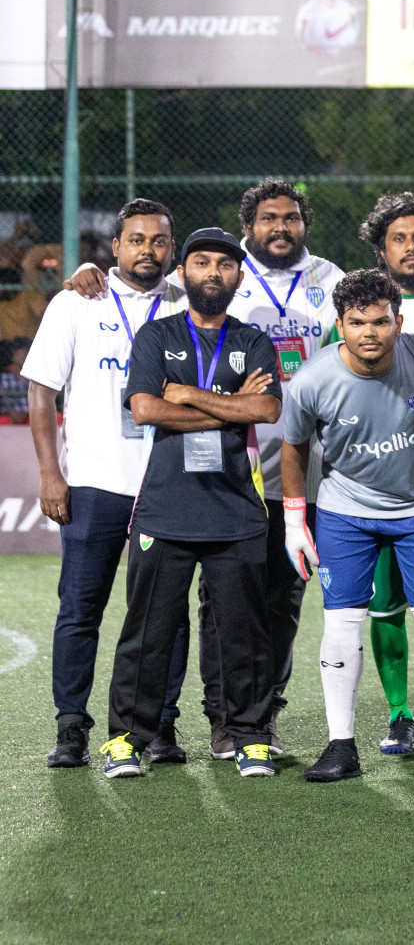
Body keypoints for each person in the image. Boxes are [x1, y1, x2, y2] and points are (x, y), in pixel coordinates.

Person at [100, 227, 283, 778]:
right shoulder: (156, 337)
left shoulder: (252, 340)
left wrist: (187, 394)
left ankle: (250, 737)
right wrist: (232, 405)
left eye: (224, 266)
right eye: (201, 263)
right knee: (149, 628)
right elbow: (146, 411)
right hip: (166, 507)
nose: (213, 273)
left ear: (238, 277)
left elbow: (269, 410)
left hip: (237, 510)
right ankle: (127, 741)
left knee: (244, 631)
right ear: (183, 274)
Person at [22, 199, 193, 768]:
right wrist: (52, 474)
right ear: (114, 246)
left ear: (173, 248)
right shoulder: (76, 300)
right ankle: (71, 725)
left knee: (165, 610)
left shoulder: (186, 302)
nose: (149, 250)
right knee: (80, 607)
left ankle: (162, 724)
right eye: (137, 239)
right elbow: (41, 393)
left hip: (168, 481)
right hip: (95, 481)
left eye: (160, 241)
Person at [282, 269, 414, 783]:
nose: (370, 332)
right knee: (342, 622)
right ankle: (342, 746)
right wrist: (294, 520)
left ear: (399, 321)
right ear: (339, 324)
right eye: (357, 322)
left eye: (381, 321)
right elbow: (293, 449)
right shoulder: (311, 381)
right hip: (346, 513)